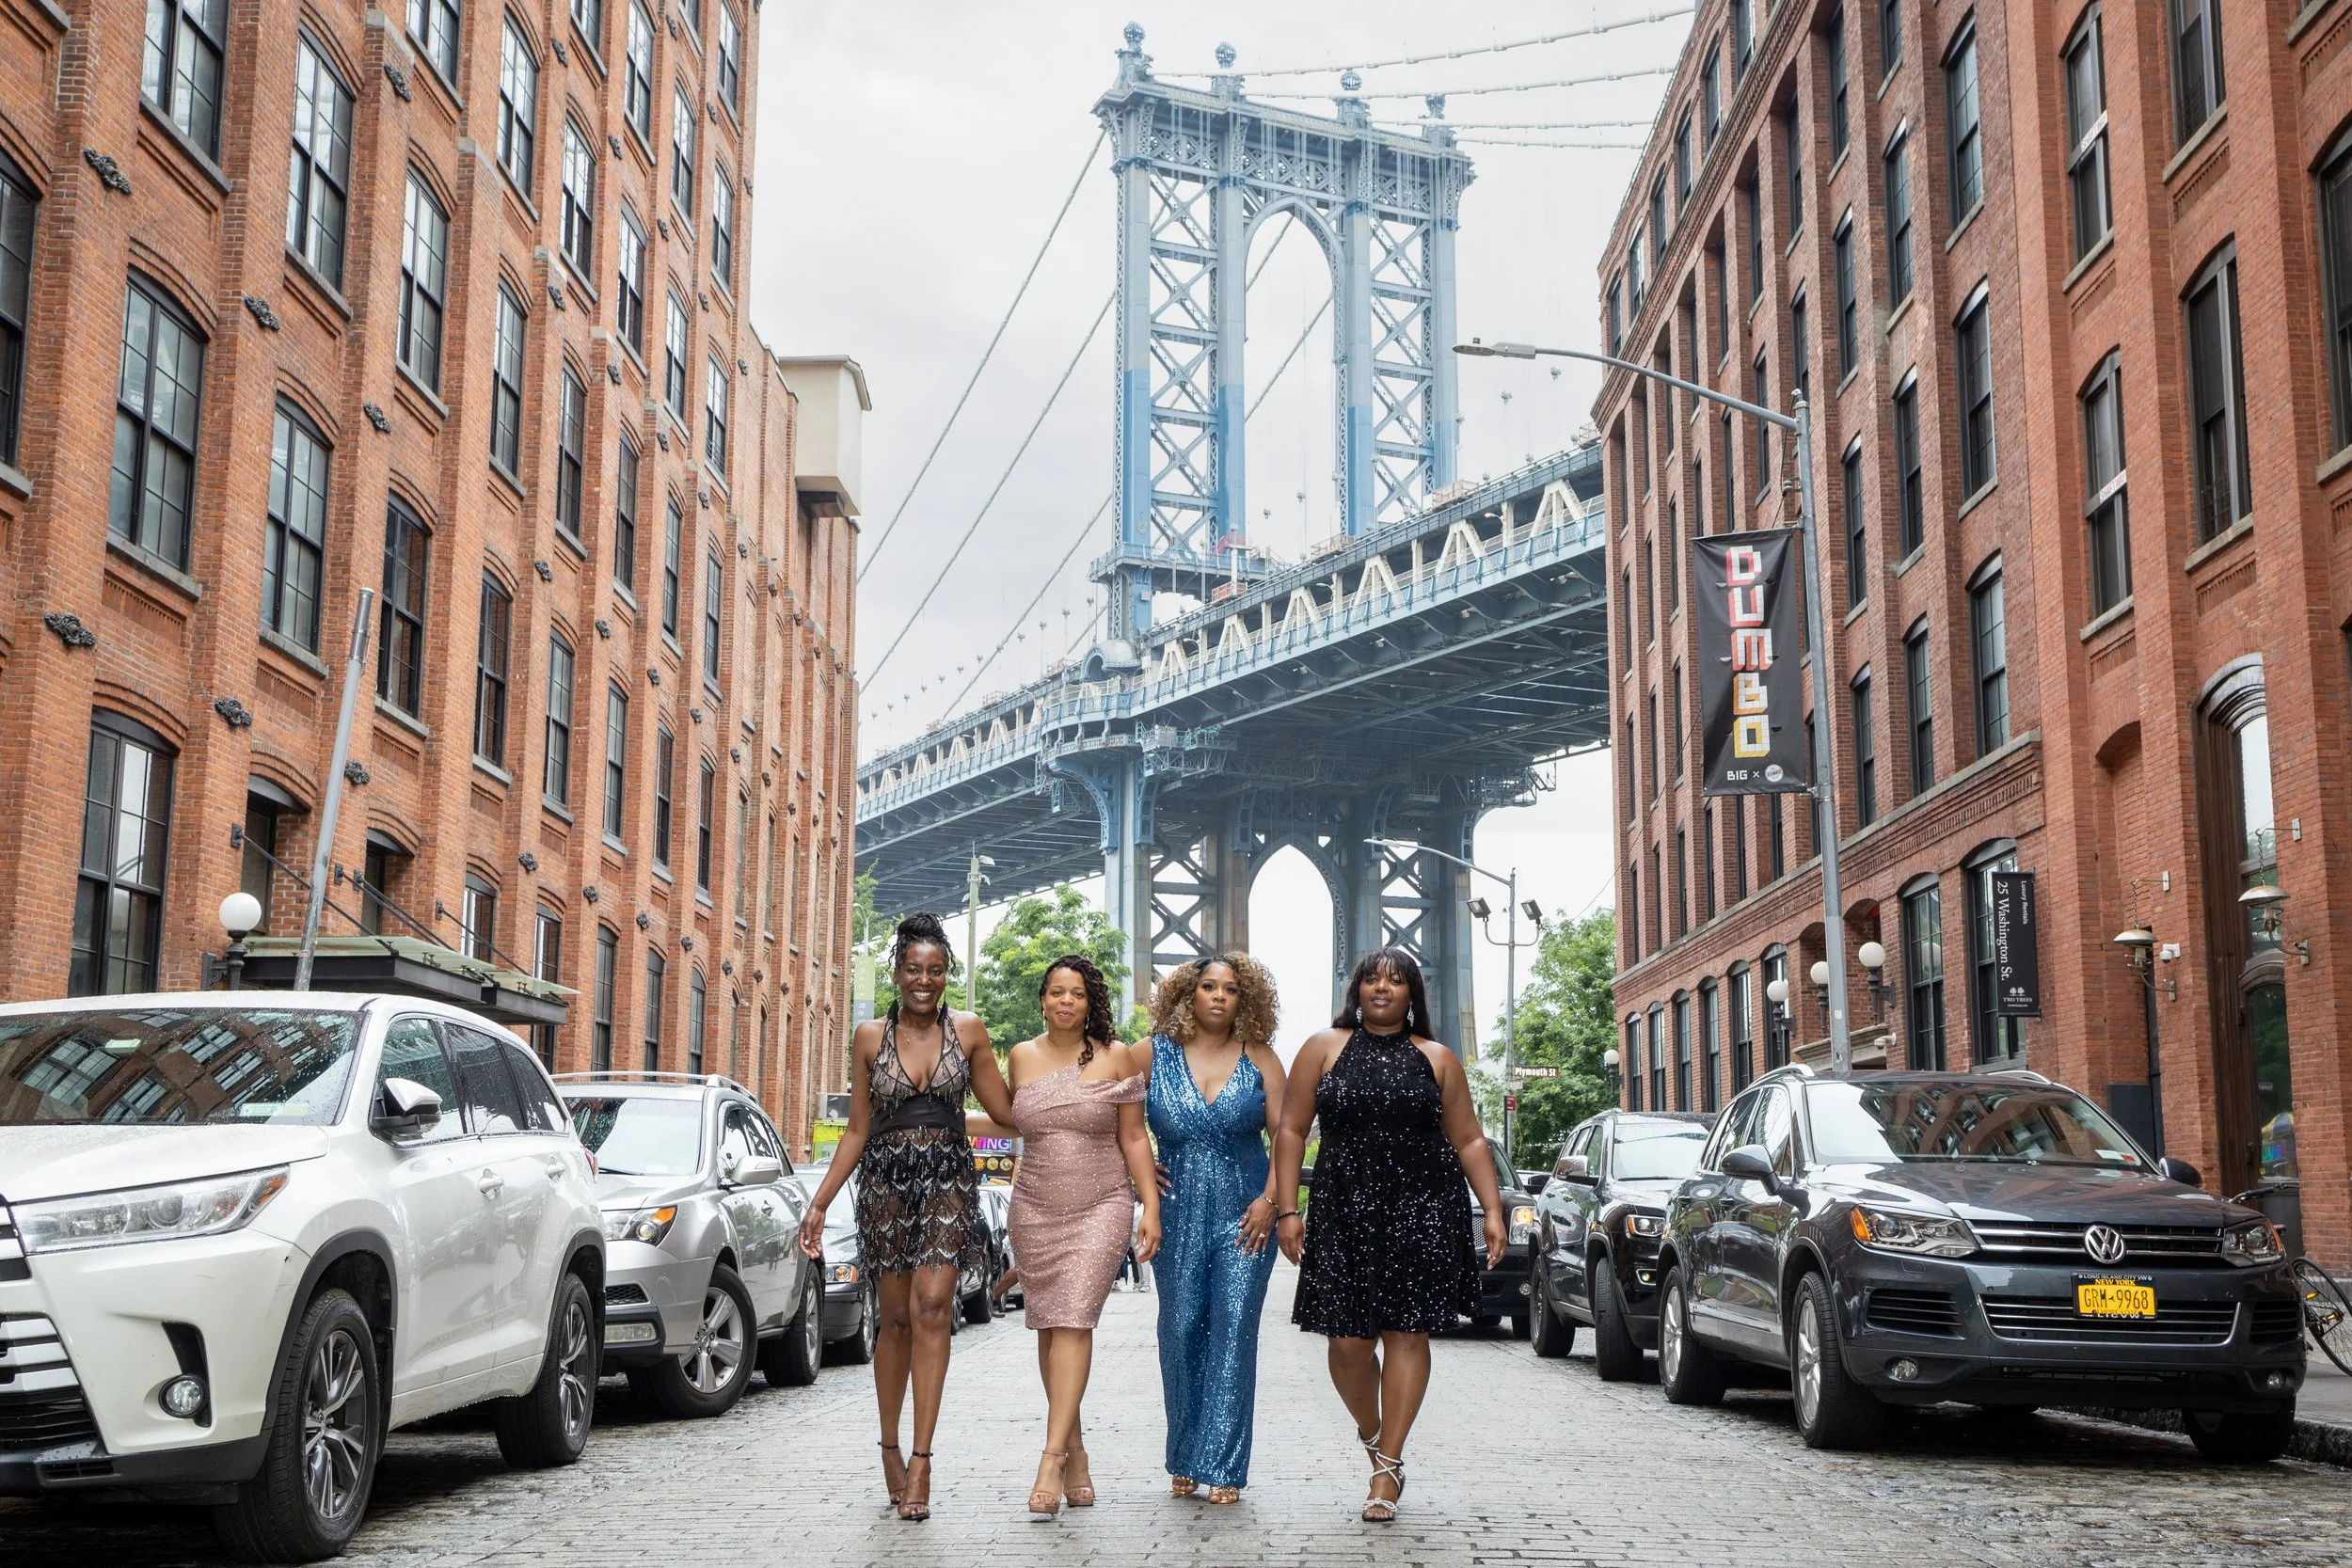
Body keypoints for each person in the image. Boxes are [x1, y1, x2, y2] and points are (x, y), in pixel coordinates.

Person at [1272, 945, 1506, 1523]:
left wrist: (1493, 1210)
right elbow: (1291, 1128)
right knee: (1347, 1344)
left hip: (1422, 1208)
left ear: (1411, 996)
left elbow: (1470, 1141)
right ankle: (1375, 1435)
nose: (1382, 989)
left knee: (1408, 1334)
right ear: (1356, 990)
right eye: (1372, 980)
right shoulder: (1322, 1048)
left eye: (1395, 982)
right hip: (1344, 1209)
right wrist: (1287, 1209)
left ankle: (1387, 1466)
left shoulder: (1438, 1058)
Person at [798, 913, 1014, 1522]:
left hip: (947, 1180)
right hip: (885, 1188)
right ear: (897, 972)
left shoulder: (969, 1031)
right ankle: (889, 1445)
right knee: (892, 1321)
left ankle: (923, 1458)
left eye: (936, 970)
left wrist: (1079, 1095)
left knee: (932, 1307)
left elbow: (1004, 1110)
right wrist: (819, 1202)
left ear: (947, 975)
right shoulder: (870, 1035)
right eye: (914, 969)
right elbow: (859, 1128)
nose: (925, 979)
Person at [1006, 955, 1161, 1517]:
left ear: (1089, 1000)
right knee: (1050, 1328)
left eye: (1076, 993)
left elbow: (1134, 1137)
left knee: (1073, 1320)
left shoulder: (1117, 1057)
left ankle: (1049, 1456)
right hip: (1034, 1207)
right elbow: (1010, 1123)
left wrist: (1150, 1207)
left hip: (1101, 1204)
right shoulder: (1020, 1056)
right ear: (1042, 999)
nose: (1065, 1001)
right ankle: (1075, 1450)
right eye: (1055, 992)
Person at [1140, 952, 1286, 1505]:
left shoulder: (1262, 1058)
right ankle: (1184, 1455)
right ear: (1188, 995)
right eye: (1208, 986)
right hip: (1177, 1215)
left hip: (1246, 1218)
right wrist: (1132, 1170)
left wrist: (1273, 1201)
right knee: (1178, 1330)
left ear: (1244, 998)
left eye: (1230, 988)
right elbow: (1108, 1115)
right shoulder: (1151, 1055)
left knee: (1232, 1333)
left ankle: (1224, 1466)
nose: (1219, 996)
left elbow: (1288, 1136)